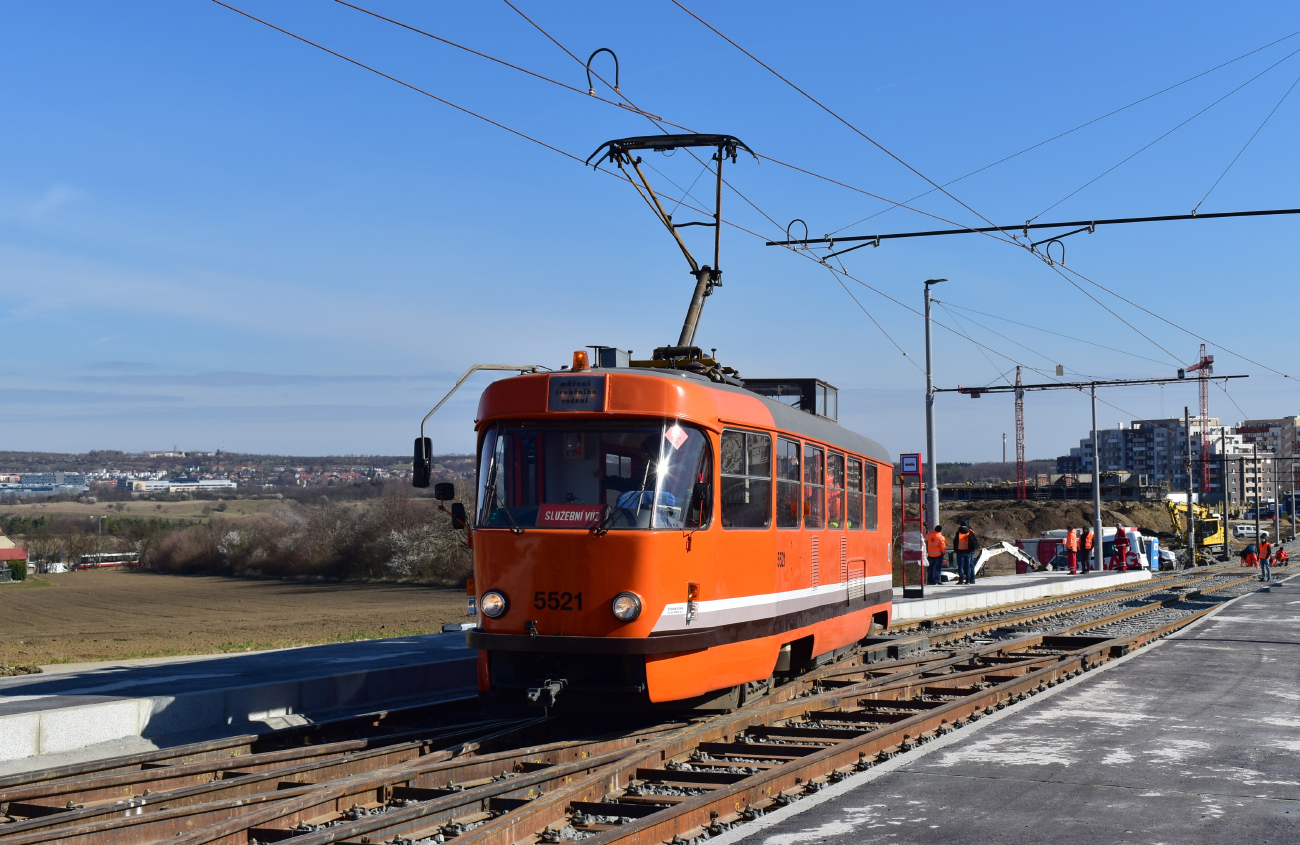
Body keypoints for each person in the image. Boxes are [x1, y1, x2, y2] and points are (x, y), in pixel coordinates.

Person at [953, 520, 980, 585]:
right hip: (968, 552)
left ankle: (961, 580)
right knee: (969, 566)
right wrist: (972, 549)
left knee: (961, 567)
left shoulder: (958, 532)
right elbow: (975, 542)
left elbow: (955, 542)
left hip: (960, 552)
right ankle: (968, 580)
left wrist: (956, 550)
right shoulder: (970, 532)